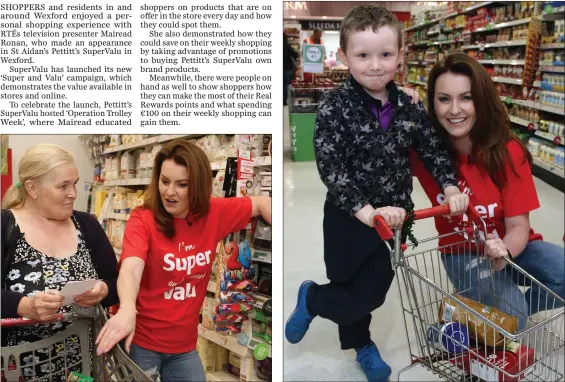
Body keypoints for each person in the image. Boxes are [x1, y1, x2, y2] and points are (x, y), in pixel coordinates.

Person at [284, 5, 468, 382]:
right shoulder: (334, 106)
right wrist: (366, 210)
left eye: (385, 54)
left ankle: (312, 299)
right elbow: (330, 166)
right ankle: (361, 344)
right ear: (344, 56)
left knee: (372, 291)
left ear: (401, 55)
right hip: (347, 216)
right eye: (363, 55)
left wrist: (450, 185)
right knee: (346, 281)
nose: (375, 65)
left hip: (395, 219)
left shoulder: (409, 106)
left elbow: (432, 149)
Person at [409, 52, 565, 331]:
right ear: (432, 102)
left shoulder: (507, 150)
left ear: (481, 100)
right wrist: (396, 100)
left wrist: (503, 250)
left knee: (518, 312)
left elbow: (518, 226)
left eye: (466, 98)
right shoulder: (427, 152)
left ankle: (476, 313)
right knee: (511, 315)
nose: (454, 109)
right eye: (444, 99)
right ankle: (496, 315)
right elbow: (375, 147)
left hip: (515, 244)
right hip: (462, 252)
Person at [95, 140, 272, 382]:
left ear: (197, 186)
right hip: (141, 343)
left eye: (182, 185)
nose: (169, 192)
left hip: (184, 347)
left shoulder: (213, 213)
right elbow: (131, 266)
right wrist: (126, 308)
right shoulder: (143, 219)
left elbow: (262, 203)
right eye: (165, 181)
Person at [1, 143, 119, 380]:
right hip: (20, 367)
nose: (73, 193)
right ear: (32, 188)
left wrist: (104, 289)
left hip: (83, 367)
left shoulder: (87, 226)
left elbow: (117, 284)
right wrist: (25, 305)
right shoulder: (6, 227)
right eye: (63, 186)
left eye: (74, 183)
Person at [284, 32, 299, 106]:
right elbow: (295, 54)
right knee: (286, 85)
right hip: (287, 68)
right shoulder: (287, 46)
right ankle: (284, 100)